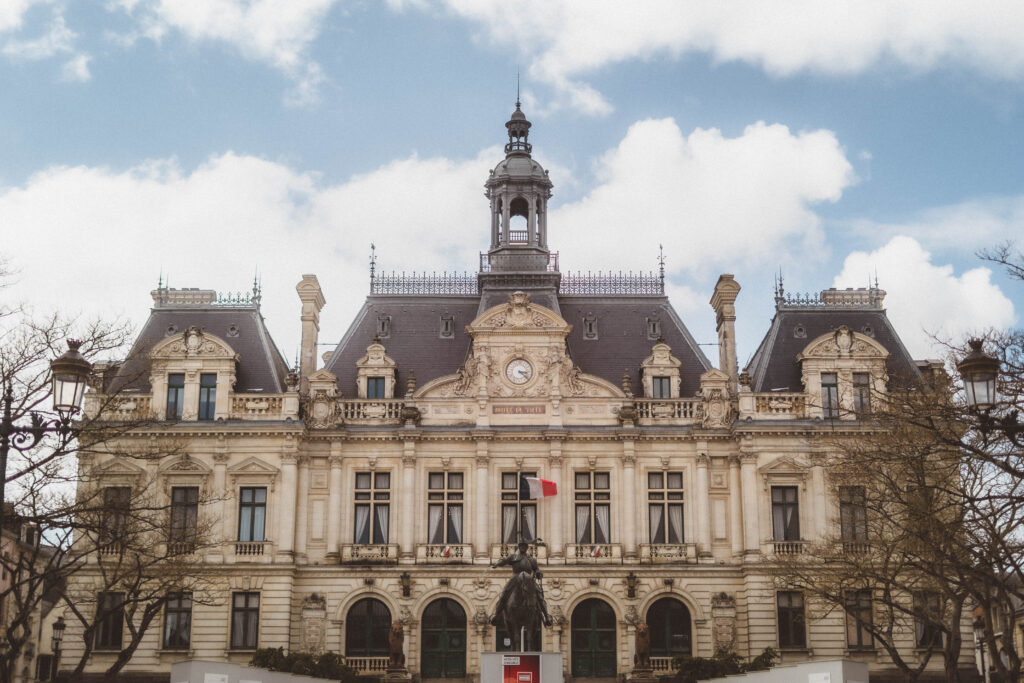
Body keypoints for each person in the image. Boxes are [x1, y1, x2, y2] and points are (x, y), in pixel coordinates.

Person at [490, 541, 553, 627]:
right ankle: (496, 615)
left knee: (539, 595)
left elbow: (536, 569)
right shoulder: (514, 557)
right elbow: (504, 561)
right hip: (515, 578)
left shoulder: (531, 559)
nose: (522, 548)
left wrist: (538, 573)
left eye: (524, 546)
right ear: (519, 547)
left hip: (528, 579)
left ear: (527, 548)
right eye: (521, 546)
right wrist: (496, 564)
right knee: (504, 593)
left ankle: (546, 616)